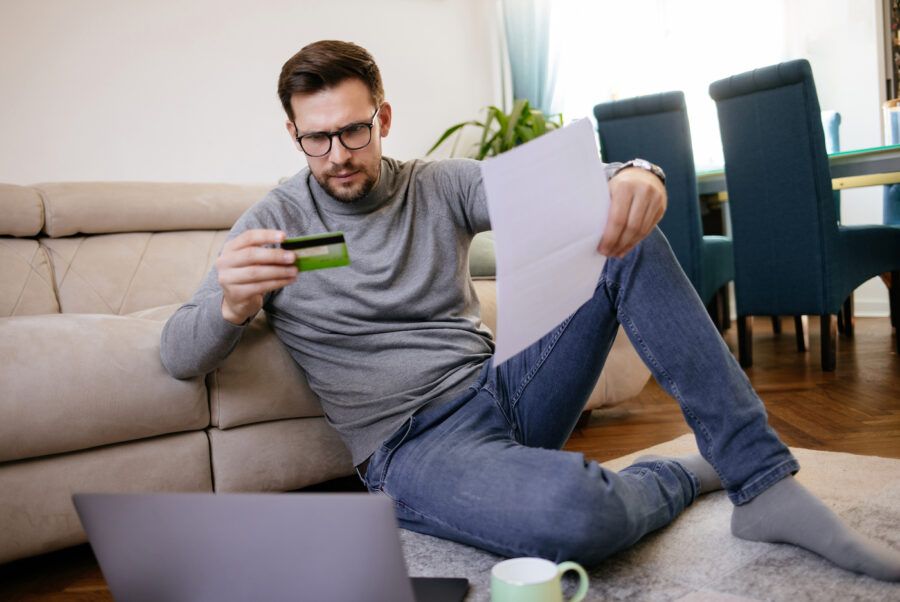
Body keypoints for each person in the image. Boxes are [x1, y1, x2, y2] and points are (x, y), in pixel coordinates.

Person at [161, 40, 900, 581]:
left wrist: (635, 173)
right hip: (413, 449)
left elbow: (562, 191)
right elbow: (178, 354)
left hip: (504, 386)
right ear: (294, 134)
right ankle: (683, 473)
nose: (339, 154)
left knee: (623, 240)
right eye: (317, 138)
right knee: (578, 520)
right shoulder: (270, 222)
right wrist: (230, 302)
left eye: (354, 130)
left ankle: (762, 479)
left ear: (383, 117)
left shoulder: (438, 183)